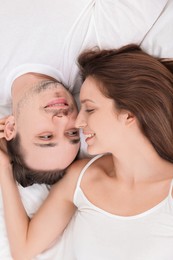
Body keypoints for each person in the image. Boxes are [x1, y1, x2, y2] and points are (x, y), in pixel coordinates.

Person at [1, 44, 173, 260]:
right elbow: (24, 250)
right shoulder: (81, 178)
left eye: (90, 109)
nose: (79, 121)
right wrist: (3, 166)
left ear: (128, 115)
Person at [0, 0, 170, 186]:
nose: (64, 119)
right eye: (73, 132)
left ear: (10, 127)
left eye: (46, 136)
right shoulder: (96, 49)